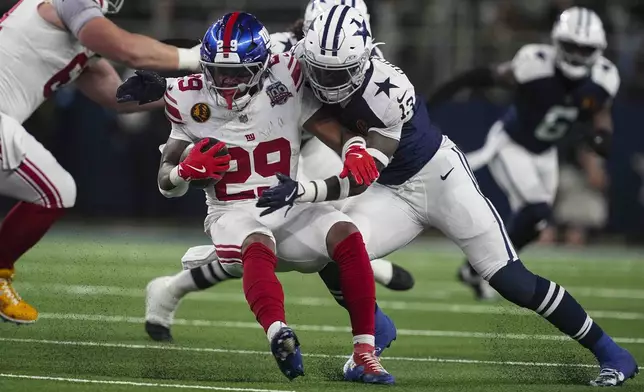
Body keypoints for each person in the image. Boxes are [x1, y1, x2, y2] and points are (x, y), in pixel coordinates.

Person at [257, 5, 638, 387]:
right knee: (331, 244)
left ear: (362, 59)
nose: (324, 79)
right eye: (318, 68)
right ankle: (374, 327)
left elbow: (360, 174)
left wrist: (306, 190)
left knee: (510, 279)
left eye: (335, 72)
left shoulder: (389, 90)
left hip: (438, 178)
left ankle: (611, 352)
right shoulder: (299, 63)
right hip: (391, 190)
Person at [135, 12, 394, 384]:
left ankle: (364, 353)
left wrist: (355, 149)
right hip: (231, 212)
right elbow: (165, 183)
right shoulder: (186, 97)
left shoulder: (287, 79)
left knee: (345, 232)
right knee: (257, 242)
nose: (227, 82)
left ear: (262, 66)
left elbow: (339, 132)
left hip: (283, 201)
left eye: (239, 73)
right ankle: (278, 334)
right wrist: (184, 172)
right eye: (219, 72)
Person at [0, 0, 201, 324]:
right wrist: (196, 58)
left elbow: (116, 95)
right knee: (56, 190)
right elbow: (129, 50)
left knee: (58, 191)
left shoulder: (80, 35)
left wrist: (191, 92)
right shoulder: (69, 3)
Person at [427, 7, 619, 301]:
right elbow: (485, 76)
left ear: (597, 50)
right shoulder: (535, 65)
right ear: (557, 42)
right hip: (511, 143)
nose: (578, 55)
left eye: (585, 49)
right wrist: (435, 100)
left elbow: (601, 111)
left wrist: (602, 135)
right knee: (537, 209)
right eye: (572, 46)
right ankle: (491, 268)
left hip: (545, 152)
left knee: (536, 222)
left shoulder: (604, 78)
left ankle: (473, 269)